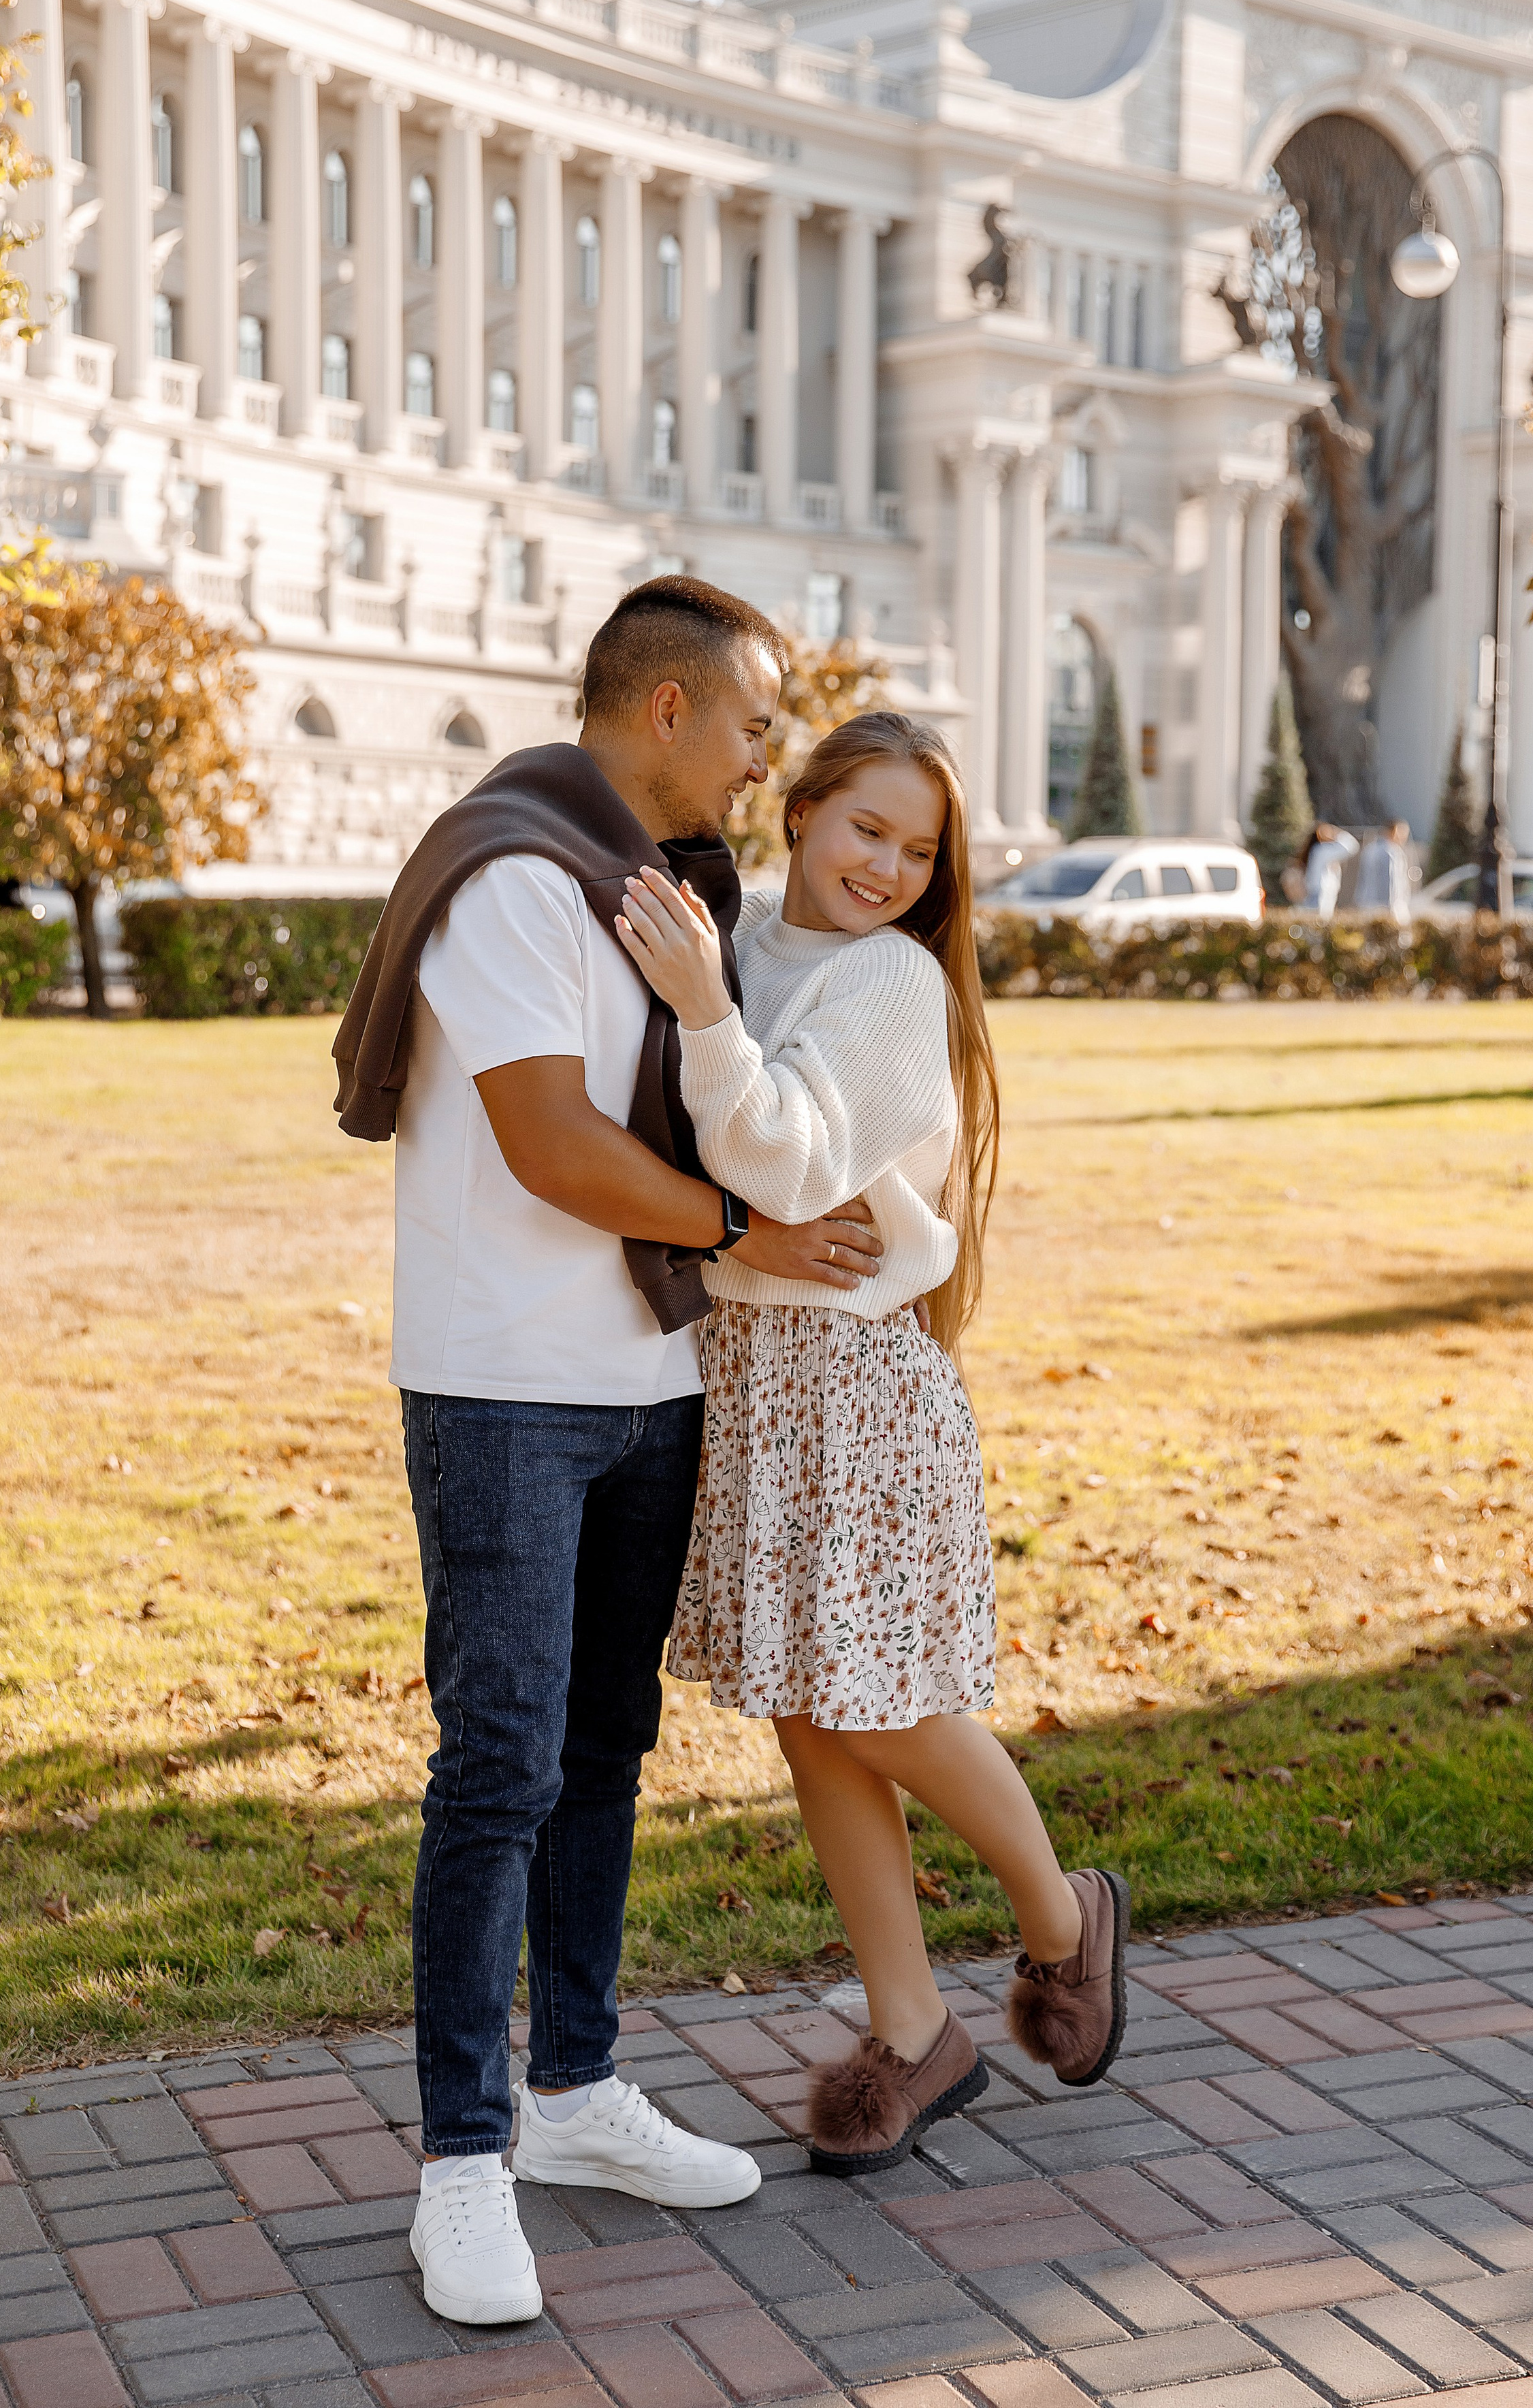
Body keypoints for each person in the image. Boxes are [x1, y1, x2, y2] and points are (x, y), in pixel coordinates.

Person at [332, 577, 888, 2325]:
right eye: (745, 725)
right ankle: (463, 2164)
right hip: (504, 1385)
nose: (755, 761)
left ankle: (572, 2090)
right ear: (665, 713)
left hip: (651, 1378)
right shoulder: (509, 873)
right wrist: (746, 1228)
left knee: (599, 1746)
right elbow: (551, 1146)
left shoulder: (662, 891)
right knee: (497, 1764)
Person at [614, 710, 1128, 2175]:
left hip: (852, 1386)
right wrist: (709, 1001)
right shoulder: (740, 939)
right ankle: (912, 2029)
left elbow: (780, 1155)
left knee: (878, 1698)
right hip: (750, 1378)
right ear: (802, 809)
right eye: (867, 830)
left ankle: (1063, 1917)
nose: (889, 868)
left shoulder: (890, 981)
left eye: (919, 850)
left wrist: (706, 1016)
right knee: (807, 1708)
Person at [1353, 818, 1413, 922]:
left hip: (1366, 903)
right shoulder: (1391, 852)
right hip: (1386, 908)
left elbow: (1361, 878)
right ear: (1394, 832)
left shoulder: (1370, 849)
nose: (1405, 838)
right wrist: (1391, 909)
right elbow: (1391, 882)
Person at [1302, 820, 1359, 915]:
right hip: (1320, 892)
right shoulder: (1323, 850)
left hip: (1319, 891)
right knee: (1319, 920)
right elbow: (1352, 846)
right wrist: (1338, 833)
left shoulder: (1319, 850)